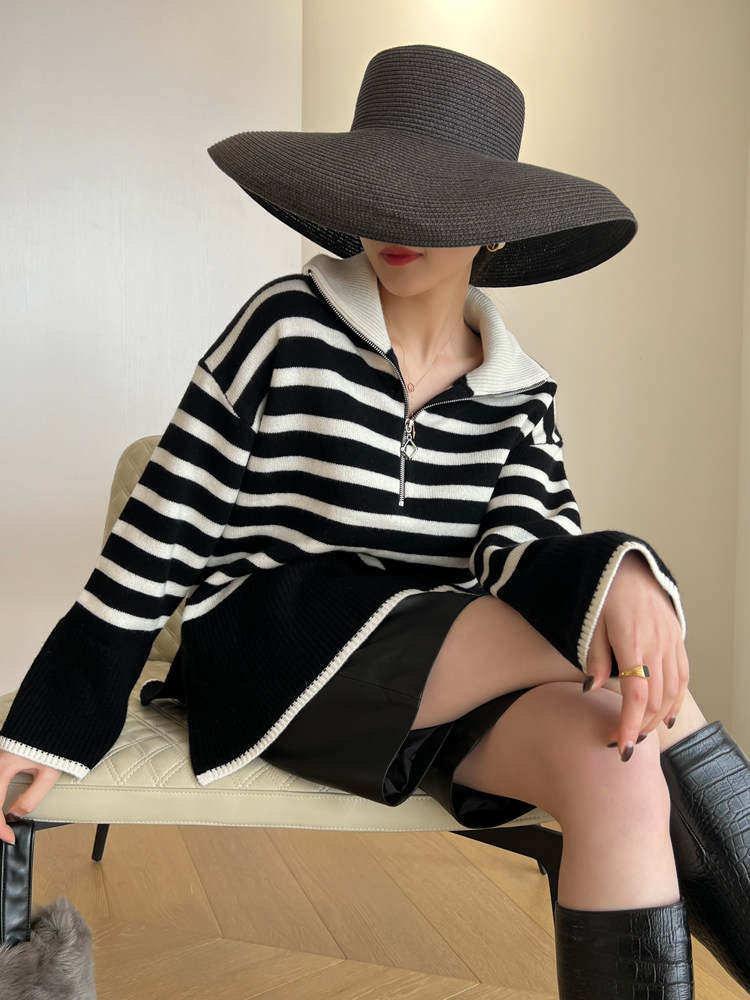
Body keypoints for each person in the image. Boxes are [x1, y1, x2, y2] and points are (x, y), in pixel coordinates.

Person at [0, 43, 747, 999]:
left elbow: (528, 552)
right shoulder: (284, 325)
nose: (394, 225)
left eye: (434, 205)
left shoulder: (521, 394)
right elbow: (166, 524)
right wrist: (53, 716)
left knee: (622, 762)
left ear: (496, 234)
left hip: (444, 686)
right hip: (275, 650)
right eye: (379, 193)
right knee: (622, 653)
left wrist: (622, 578)